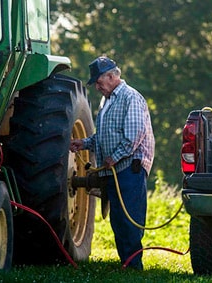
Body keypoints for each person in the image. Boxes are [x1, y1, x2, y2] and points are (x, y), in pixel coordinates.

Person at [70, 56, 155, 270]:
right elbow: (105, 136)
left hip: (130, 169)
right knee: (118, 219)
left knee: (129, 219)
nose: (97, 87)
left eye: (99, 82)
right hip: (115, 170)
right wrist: (85, 143)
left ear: (111, 76)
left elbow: (134, 136)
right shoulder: (107, 101)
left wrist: (114, 157)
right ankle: (126, 263)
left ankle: (134, 265)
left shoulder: (130, 97)